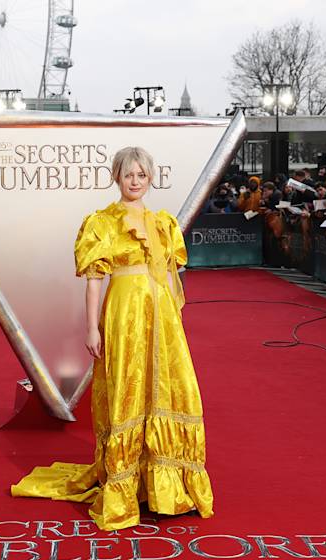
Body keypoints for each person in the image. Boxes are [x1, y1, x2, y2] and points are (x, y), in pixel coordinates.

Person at [11, 146, 214, 531]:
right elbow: (93, 283)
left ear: (151, 177)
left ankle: (168, 487)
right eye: (128, 175)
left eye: (141, 175)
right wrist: (92, 327)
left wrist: (173, 319)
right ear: (116, 177)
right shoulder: (101, 222)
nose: (135, 182)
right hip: (122, 313)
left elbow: (172, 277)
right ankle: (125, 487)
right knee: (128, 388)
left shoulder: (165, 223)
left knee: (170, 390)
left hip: (162, 319)